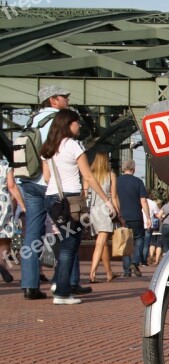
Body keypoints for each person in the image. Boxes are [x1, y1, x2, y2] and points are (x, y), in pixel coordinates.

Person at [41, 109, 116, 304]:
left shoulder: (49, 146)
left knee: (65, 241)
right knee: (70, 245)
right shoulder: (74, 146)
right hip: (71, 199)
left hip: (51, 198)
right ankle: (62, 293)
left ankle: (59, 282)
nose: (80, 125)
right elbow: (89, 176)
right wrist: (106, 200)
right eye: (77, 122)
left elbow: (47, 177)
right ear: (68, 124)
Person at [18, 86, 70, 300]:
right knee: (67, 230)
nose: (67, 100)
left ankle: (30, 285)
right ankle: (66, 283)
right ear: (53, 100)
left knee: (32, 234)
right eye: (64, 97)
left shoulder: (30, 121)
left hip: (29, 181)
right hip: (49, 183)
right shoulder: (58, 121)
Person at [86, 152, 120, 283]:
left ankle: (109, 273)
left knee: (103, 242)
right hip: (105, 209)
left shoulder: (90, 175)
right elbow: (114, 196)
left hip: (93, 210)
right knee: (101, 242)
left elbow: (85, 192)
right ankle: (92, 272)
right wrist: (119, 213)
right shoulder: (111, 175)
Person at [116, 160, 150, 277]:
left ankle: (126, 270)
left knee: (125, 242)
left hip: (122, 217)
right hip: (136, 216)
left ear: (122, 168)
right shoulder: (138, 182)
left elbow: (114, 198)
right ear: (134, 169)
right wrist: (148, 217)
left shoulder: (117, 181)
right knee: (139, 239)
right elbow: (144, 201)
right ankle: (135, 262)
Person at [0, 160, 25, 283]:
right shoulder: (5, 165)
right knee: (5, 238)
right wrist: (23, 205)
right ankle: (1, 264)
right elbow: (12, 186)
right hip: (3, 205)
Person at [142, 192, 159, 265]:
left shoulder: (138, 202)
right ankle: (144, 261)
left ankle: (138, 259)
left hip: (140, 223)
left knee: (139, 243)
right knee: (146, 244)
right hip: (149, 224)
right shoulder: (153, 203)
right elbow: (157, 214)